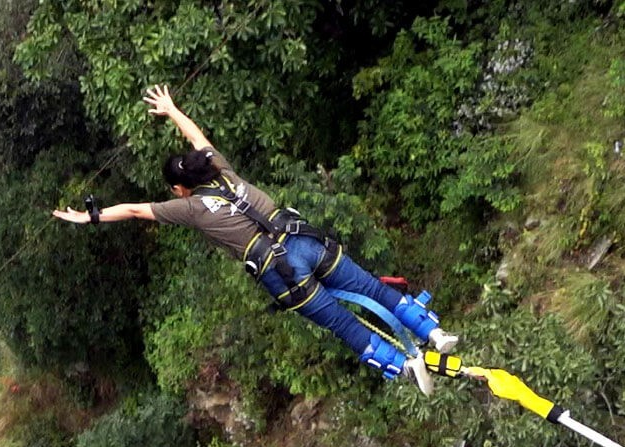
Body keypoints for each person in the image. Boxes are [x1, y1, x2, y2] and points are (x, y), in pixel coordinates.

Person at [52, 85, 459, 395]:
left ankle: (405, 367)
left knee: (341, 323)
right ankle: (433, 333)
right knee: (370, 287)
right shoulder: (222, 169)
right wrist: (172, 110)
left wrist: (89, 217)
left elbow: (136, 209)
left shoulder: (191, 208)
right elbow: (197, 139)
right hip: (306, 241)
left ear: (180, 188)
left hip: (280, 270)